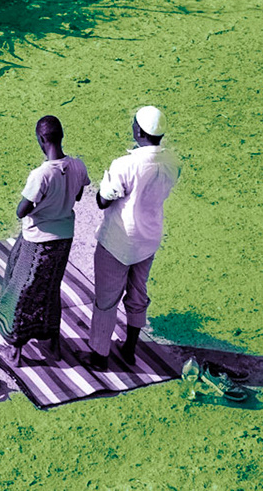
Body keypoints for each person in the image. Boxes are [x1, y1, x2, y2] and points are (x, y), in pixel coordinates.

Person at [85, 105, 183, 371]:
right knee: (138, 293)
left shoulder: (125, 164)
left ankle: (99, 355)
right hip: (149, 239)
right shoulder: (173, 162)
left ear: (139, 131)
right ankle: (129, 349)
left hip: (118, 241)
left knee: (106, 298)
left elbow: (103, 201)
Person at [0, 114, 89, 364]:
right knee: (48, 290)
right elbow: (78, 196)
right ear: (61, 136)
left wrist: (43, 205)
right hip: (64, 238)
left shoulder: (41, 174)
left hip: (38, 241)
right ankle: (51, 343)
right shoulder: (79, 166)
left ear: (41, 139)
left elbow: (21, 211)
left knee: (20, 290)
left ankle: (13, 348)